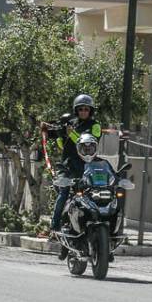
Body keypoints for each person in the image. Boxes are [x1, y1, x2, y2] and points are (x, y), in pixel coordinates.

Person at [42, 94, 101, 256]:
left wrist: (72, 134)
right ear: (76, 110)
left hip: (86, 166)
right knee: (64, 192)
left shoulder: (95, 126)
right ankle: (54, 228)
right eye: (80, 109)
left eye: (86, 109)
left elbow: (87, 142)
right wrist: (46, 128)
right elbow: (56, 134)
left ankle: (103, 232)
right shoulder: (71, 123)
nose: (83, 112)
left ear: (90, 111)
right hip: (68, 166)